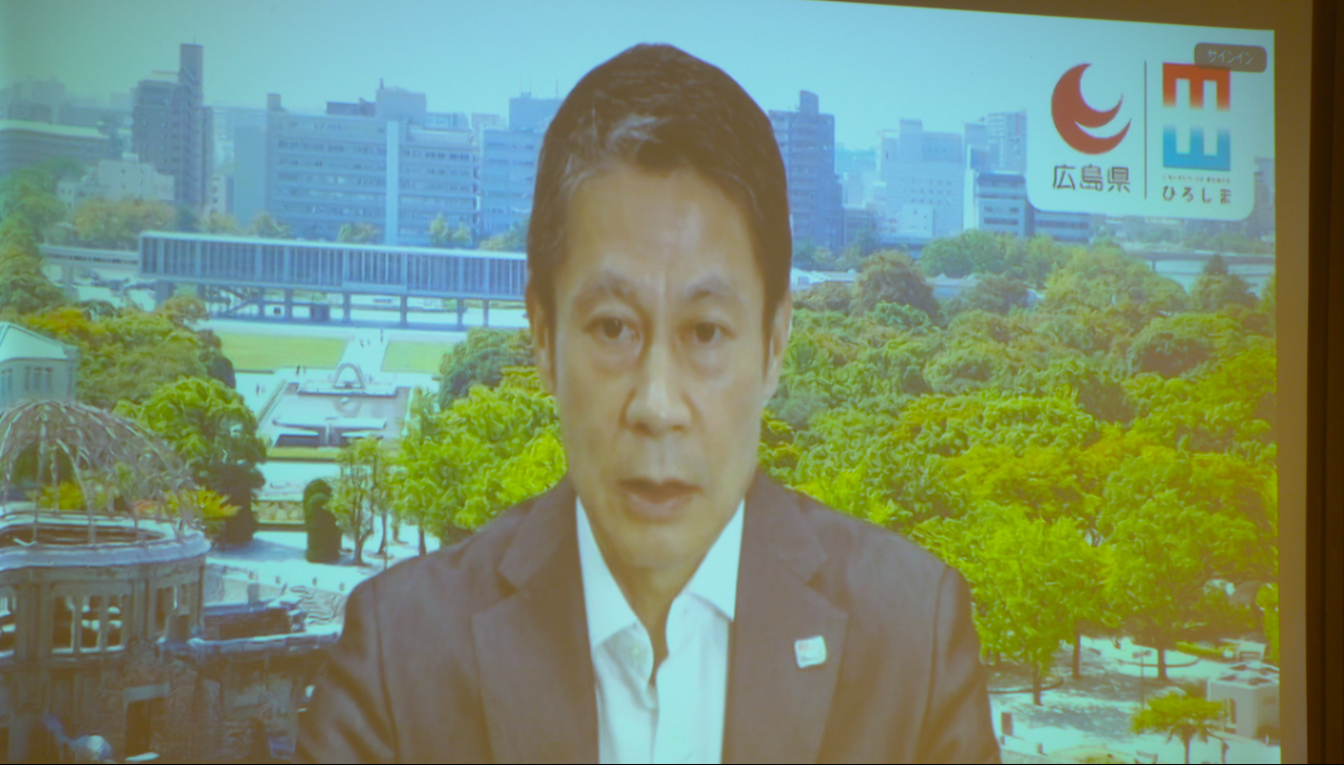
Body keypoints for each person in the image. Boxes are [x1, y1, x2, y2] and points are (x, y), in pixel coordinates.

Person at [298, 44, 998, 764]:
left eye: (705, 332)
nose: (657, 405)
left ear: (774, 344)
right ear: (542, 336)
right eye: (612, 327)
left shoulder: (912, 639)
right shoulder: (400, 654)